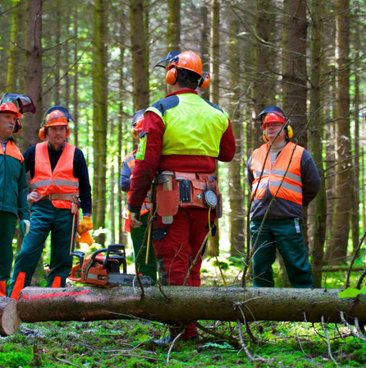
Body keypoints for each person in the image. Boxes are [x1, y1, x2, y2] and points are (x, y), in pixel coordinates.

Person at [127, 50, 236, 343]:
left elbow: (146, 163)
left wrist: (134, 205)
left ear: (172, 75)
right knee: (193, 265)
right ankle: (189, 329)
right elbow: (227, 154)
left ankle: (180, 333)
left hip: (169, 201)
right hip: (206, 202)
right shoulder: (218, 113)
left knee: (175, 264)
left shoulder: (159, 111)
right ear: (201, 80)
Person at [8, 106, 92, 299]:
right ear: (45, 131)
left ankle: (51, 300)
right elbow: (19, 179)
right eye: (54, 128)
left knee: (62, 258)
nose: (58, 132)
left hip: (67, 212)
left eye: (62, 128)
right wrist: (24, 198)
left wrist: (87, 216)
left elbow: (85, 187)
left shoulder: (76, 154)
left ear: (67, 131)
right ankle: (13, 297)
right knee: (27, 251)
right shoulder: (33, 152)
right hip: (41, 209)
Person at [247, 106, 320, 288]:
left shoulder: (299, 153)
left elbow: (314, 183)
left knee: (297, 265)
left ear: (286, 128)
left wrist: (296, 203)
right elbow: (252, 183)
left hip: (287, 219)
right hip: (259, 219)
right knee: (260, 267)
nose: (270, 128)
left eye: (275, 124)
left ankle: (307, 307)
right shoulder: (256, 155)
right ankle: (261, 309)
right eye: (267, 126)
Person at [0, 93, 35, 297]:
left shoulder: (17, 154)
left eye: (14, 119)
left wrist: (26, 217)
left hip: (9, 212)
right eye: (7, 117)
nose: (11, 122)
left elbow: (22, 188)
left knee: (5, 257)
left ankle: (2, 301)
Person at [121, 109, 157, 284]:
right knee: (142, 255)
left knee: (159, 254)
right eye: (140, 133)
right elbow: (124, 184)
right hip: (138, 215)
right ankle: (145, 287)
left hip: (160, 212)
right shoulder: (129, 159)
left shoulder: (161, 156)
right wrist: (142, 178)